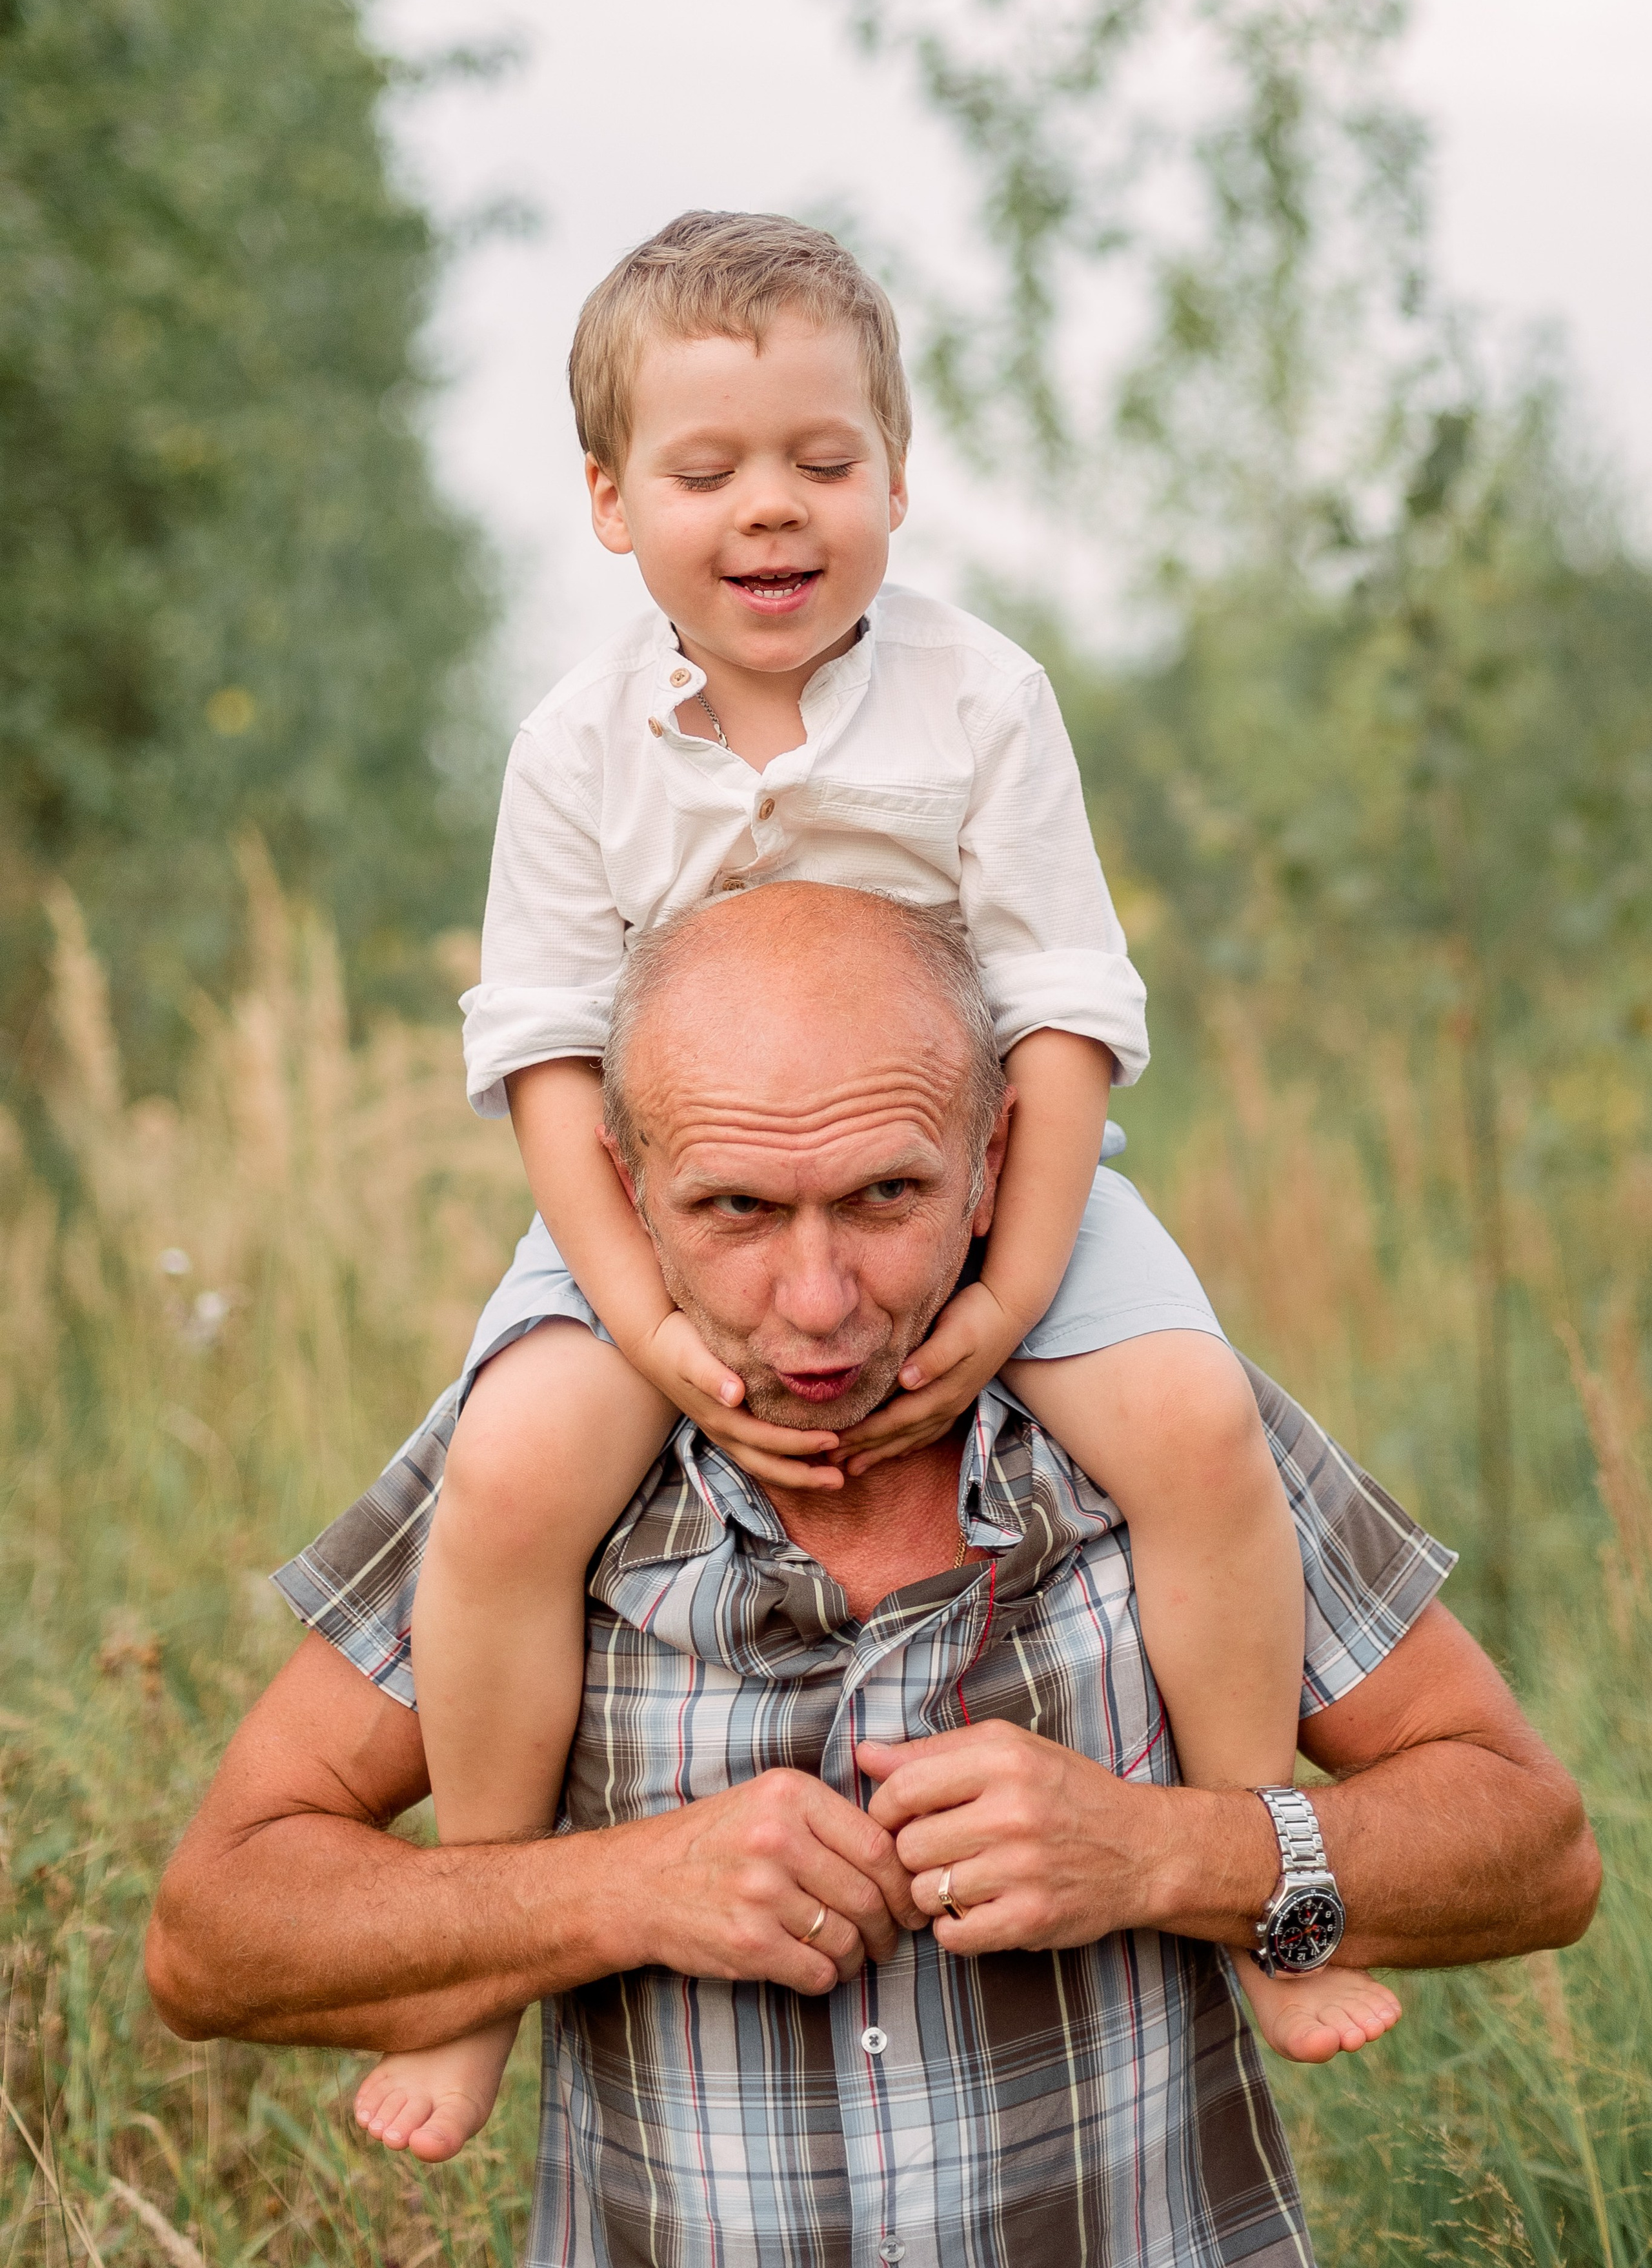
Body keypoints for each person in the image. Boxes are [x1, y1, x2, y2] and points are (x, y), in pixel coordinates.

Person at [146, 886, 1600, 2267]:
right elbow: (213, 1938)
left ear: (996, 1163)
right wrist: (619, 1892)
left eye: (885, 1193)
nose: (819, 1299)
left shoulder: (1161, 1420)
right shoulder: (530, 1475)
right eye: (733, 1211)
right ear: (620, 1190)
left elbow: (1534, 1848)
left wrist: (1159, 1852)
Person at [394, 210, 1362, 2152]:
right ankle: (472, 1958)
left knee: (1187, 1417)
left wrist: (1011, 1289)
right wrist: (652, 1329)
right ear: (608, 502)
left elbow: (1071, 1010)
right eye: (709, 471)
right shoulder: (575, 747)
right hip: (659, 1203)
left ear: (897, 477)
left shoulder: (982, 697)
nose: (775, 512)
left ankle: (1264, 1872)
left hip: (982, 1169)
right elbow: (549, 1060)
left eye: (825, 464)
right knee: (504, 1483)